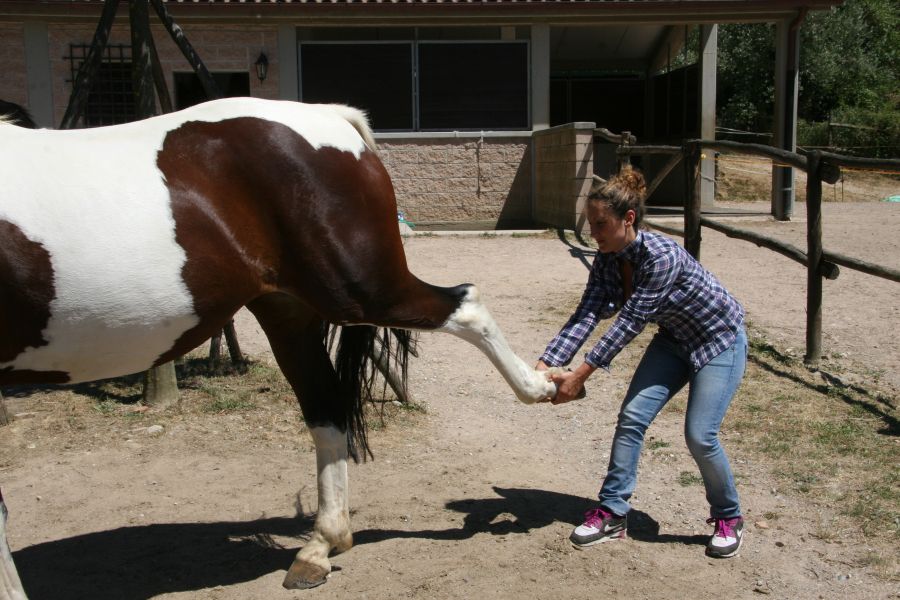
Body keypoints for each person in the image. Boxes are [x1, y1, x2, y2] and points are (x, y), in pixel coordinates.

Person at [537, 165, 747, 559]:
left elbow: (630, 321)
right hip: (674, 339)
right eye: (590, 224)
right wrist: (543, 364)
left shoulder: (661, 255)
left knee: (700, 435)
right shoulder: (607, 257)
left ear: (628, 218)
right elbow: (588, 312)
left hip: (720, 340)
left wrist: (579, 376)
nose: (593, 233)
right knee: (632, 417)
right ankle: (613, 511)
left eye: (601, 224)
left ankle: (729, 517)